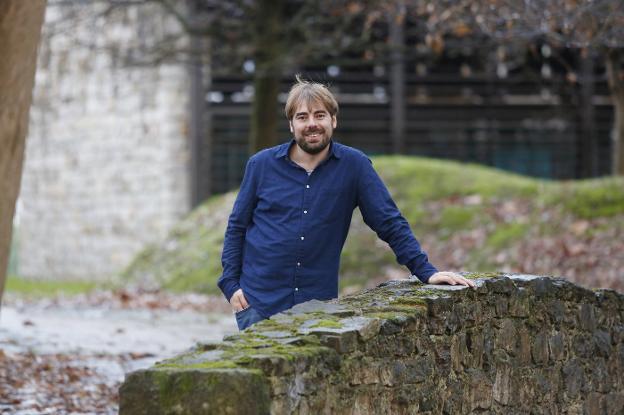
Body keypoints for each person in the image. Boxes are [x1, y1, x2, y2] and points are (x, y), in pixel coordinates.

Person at [218, 76, 475, 331]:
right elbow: (237, 227)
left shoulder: (355, 166)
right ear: (291, 125)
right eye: (302, 117)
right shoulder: (260, 165)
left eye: (319, 115)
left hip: (317, 307)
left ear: (333, 120)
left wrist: (426, 271)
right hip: (258, 304)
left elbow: (389, 222)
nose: (312, 124)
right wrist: (230, 284)